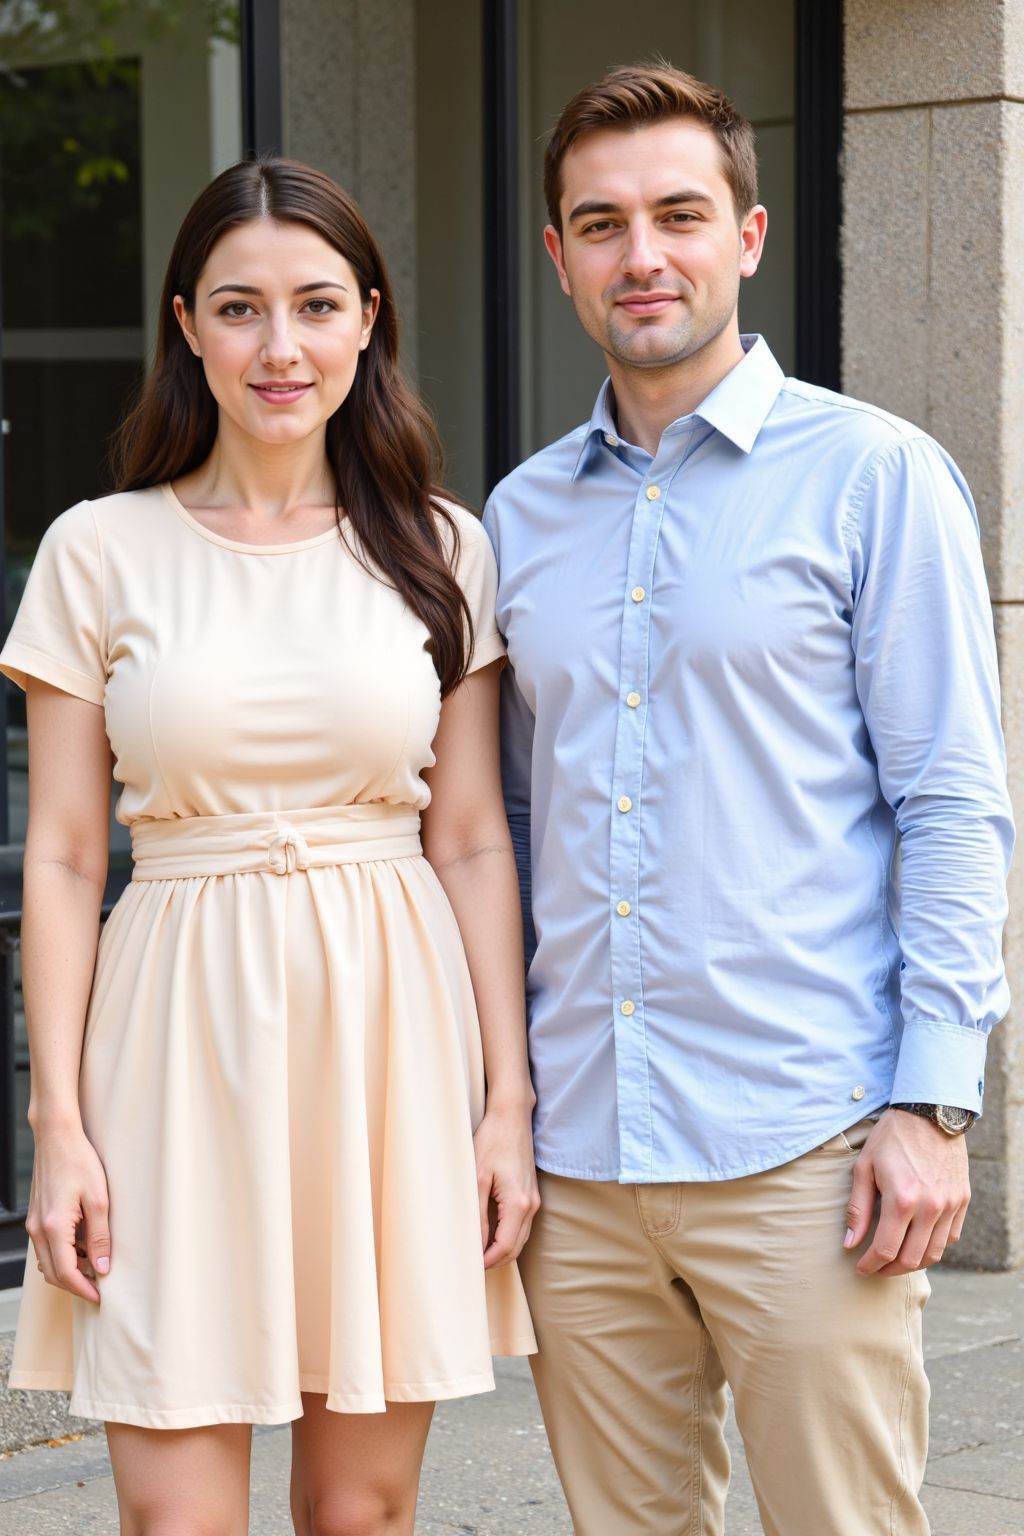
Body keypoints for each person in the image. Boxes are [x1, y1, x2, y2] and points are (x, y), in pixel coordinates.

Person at [481, 59, 1014, 1536]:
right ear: (560, 259)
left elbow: (955, 801)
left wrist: (933, 1101)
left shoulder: (875, 476)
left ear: (749, 235)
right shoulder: (519, 517)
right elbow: (512, 827)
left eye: (677, 215)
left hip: (808, 1148)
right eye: (601, 224)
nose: (641, 255)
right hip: (582, 1158)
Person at [3, 155, 537, 1535]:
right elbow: (63, 859)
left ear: (370, 319)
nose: (280, 346)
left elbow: (472, 838)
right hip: (174, 1029)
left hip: (385, 1035)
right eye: (240, 309)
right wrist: (57, 1125)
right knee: (176, 1519)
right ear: (187, 325)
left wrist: (505, 1106)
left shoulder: (442, 549)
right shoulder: (97, 549)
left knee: (359, 1514)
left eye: (314, 304)